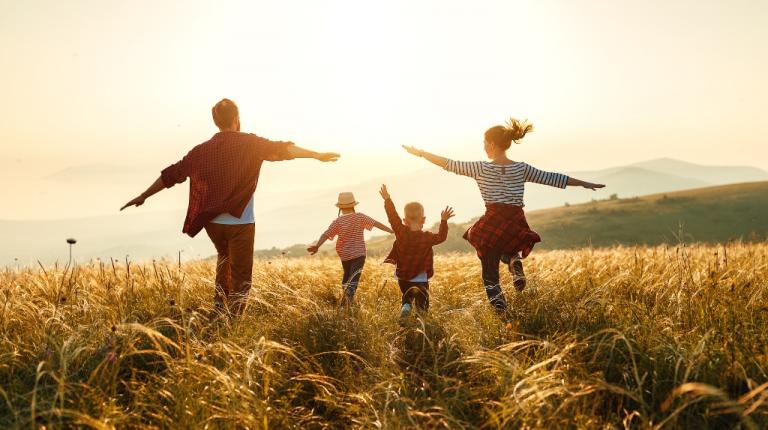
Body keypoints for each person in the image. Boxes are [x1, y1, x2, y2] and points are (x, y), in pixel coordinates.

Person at [120, 98, 340, 315]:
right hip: (241, 222)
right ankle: (233, 320)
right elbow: (283, 150)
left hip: (212, 223)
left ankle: (219, 306)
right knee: (241, 274)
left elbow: (172, 175)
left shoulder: (201, 150)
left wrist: (143, 195)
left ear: (216, 121)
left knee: (224, 259)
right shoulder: (251, 143)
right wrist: (316, 155)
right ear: (236, 119)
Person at [402, 118, 604, 313]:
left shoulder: (481, 168)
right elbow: (553, 178)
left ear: (491, 144)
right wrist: (585, 183)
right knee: (508, 247)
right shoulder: (521, 168)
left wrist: (420, 153)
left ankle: (500, 309)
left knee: (489, 272)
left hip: (492, 221)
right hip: (515, 221)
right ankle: (514, 262)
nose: (483, 147)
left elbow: (448, 163)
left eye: (484, 143)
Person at [379, 184, 454, 320]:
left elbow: (392, 216)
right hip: (420, 277)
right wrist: (443, 221)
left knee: (407, 295)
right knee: (422, 301)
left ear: (404, 221)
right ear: (423, 220)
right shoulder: (427, 237)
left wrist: (387, 199)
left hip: (403, 276)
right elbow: (441, 237)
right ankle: (421, 320)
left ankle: (406, 305)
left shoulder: (400, 231)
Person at [307, 192, 393, 304]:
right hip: (359, 254)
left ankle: (345, 301)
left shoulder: (337, 222)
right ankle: (347, 300)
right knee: (354, 278)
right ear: (353, 205)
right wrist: (391, 230)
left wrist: (317, 245)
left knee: (347, 276)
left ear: (340, 207)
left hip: (345, 256)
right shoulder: (360, 217)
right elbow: (376, 223)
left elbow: (326, 234)